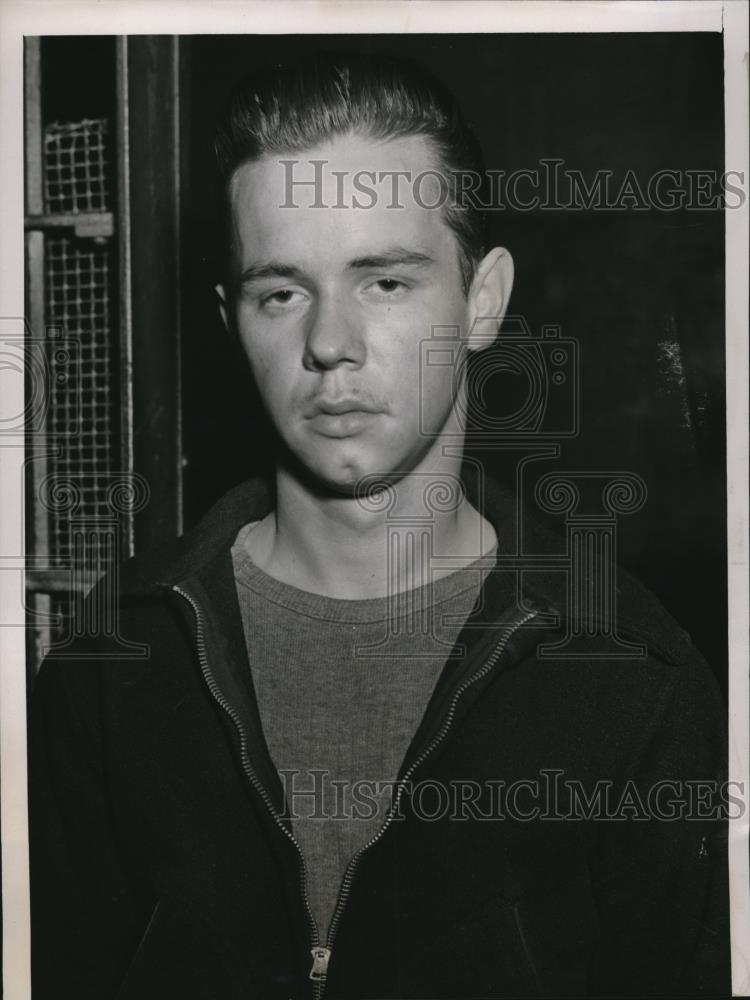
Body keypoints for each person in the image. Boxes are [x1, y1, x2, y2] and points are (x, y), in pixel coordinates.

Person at [28, 52, 730, 999]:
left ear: (482, 300)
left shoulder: (634, 683)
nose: (328, 341)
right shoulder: (110, 668)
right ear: (233, 319)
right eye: (282, 291)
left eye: (385, 282)